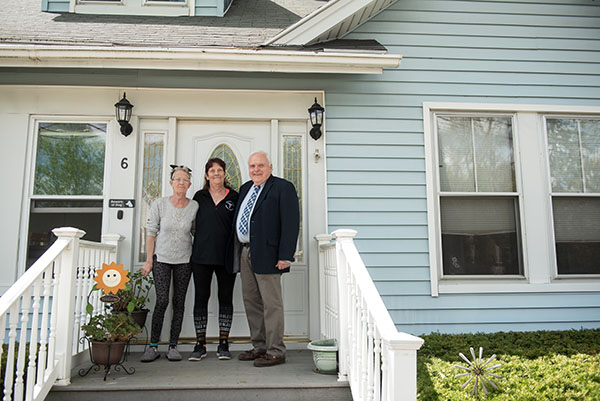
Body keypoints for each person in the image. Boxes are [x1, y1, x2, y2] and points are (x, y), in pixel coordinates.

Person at [226, 151, 299, 367]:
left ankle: (276, 350)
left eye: (260, 165)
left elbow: (291, 222)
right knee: (251, 302)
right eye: (252, 166)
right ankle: (260, 346)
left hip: (269, 254)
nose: (256, 169)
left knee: (271, 304)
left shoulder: (282, 187)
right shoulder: (246, 188)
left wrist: (286, 255)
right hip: (246, 252)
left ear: (270, 166)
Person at [140, 165, 199, 362]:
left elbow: (197, 233)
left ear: (189, 184)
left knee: (179, 302)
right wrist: (149, 260)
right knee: (162, 300)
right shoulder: (160, 204)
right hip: (162, 259)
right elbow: (151, 233)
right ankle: (153, 345)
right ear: (171, 183)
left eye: (185, 180)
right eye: (177, 179)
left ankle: (173, 345)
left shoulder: (194, 207)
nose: (181, 182)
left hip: (185, 260)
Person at [188, 158, 239, 361]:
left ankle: (223, 343)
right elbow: (190, 225)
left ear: (224, 174)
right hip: (201, 256)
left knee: (225, 299)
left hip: (226, 256)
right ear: (207, 175)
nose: (216, 173)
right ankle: (200, 344)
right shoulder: (199, 197)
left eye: (220, 170)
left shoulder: (234, 197)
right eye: (212, 170)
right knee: (201, 298)